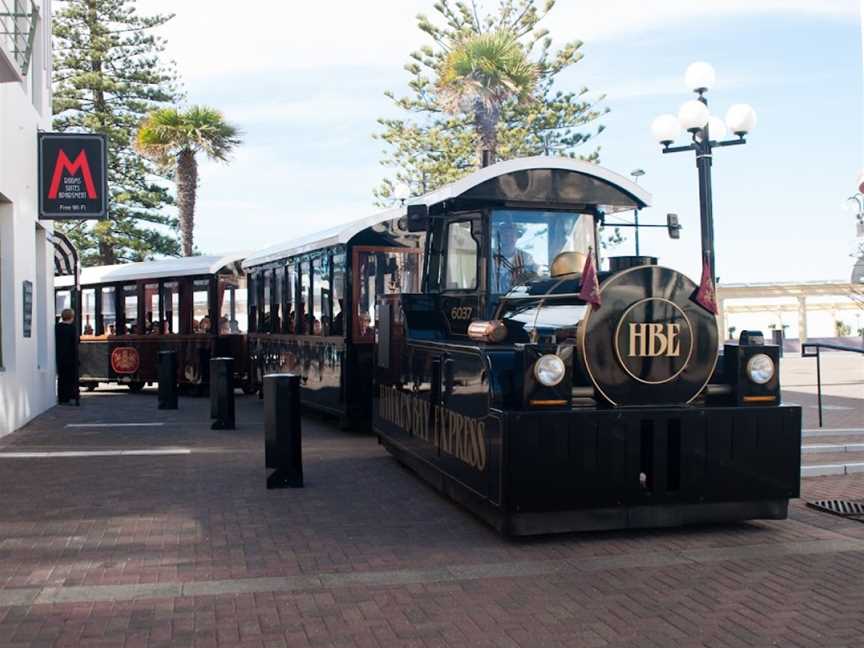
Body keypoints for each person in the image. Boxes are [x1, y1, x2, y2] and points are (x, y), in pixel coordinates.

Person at [55, 309, 78, 405]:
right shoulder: (72, 328)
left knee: (62, 378)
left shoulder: (57, 327)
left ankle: (62, 398)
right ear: (72, 317)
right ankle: (71, 396)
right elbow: (74, 344)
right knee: (71, 378)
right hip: (70, 357)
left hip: (60, 356)